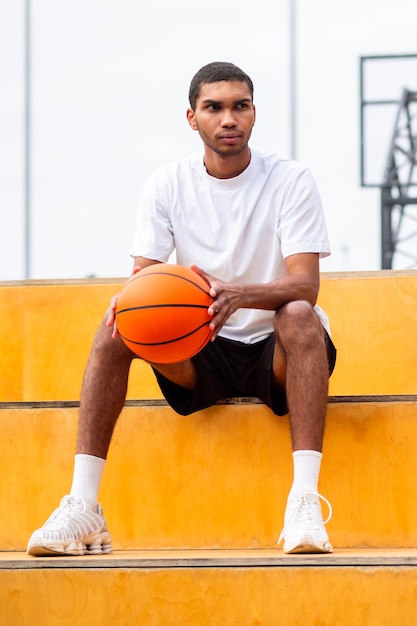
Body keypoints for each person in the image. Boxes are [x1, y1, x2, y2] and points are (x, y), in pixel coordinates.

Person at [27, 61, 336, 557]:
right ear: (192, 119)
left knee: (298, 313)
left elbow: (306, 285)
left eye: (240, 106)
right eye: (214, 108)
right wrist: (129, 303)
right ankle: (83, 506)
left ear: (255, 113)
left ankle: (303, 502)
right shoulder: (167, 184)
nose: (228, 118)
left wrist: (236, 294)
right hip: (201, 348)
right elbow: (143, 279)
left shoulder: (291, 180)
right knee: (114, 330)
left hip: (276, 355)